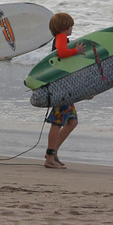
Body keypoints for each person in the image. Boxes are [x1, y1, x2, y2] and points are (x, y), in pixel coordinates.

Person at [44, 11, 85, 169]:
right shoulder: (61, 37)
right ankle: (49, 157)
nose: (72, 28)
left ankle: (53, 153)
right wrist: (76, 51)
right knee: (57, 122)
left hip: (65, 87)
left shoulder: (61, 38)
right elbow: (62, 53)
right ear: (64, 27)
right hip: (61, 88)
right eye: (70, 25)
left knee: (72, 122)